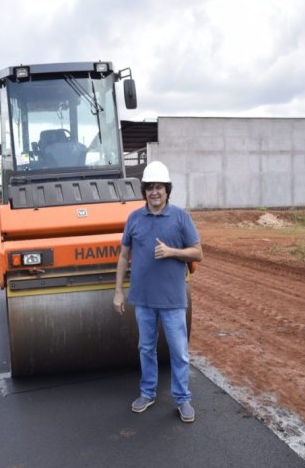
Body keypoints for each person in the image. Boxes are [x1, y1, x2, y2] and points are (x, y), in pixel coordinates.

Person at [113, 160, 203, 423]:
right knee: (146, 348)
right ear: (144, 191)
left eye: (159, 187)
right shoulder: (134, 218)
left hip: (173, 300)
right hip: (143, 299)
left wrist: (172, 252)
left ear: (167, 190)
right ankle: (147, 392)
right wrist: (118, 291)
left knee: (179, 351)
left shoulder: (180, 217)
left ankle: (183, 399)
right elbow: (123, 256)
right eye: (150, 187)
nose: (154, 192)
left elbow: (198, 252)